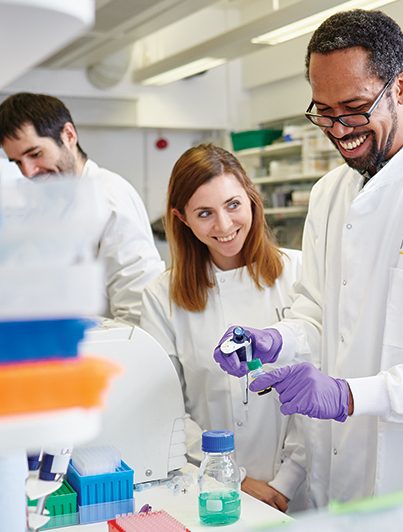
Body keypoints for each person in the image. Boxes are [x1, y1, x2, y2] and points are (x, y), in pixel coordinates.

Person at [213, 10, 403, 510]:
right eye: (323, 110)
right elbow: (316, 315)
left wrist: (349, 396)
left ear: (400, 88)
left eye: (354, 107)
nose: (338, 128)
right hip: (333, 466)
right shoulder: (328, 193)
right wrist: (276, 339)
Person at [140, 144, 307, 512]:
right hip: (212, 488)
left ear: (251, 198)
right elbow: (166, 410)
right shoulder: (161, 297)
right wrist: (235, 478)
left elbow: (322, 383)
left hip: (300, 489)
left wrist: (287, 482)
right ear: (181, 218)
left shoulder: (299, 273)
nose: (224, 225)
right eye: (204, 213)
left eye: (233, 205)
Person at [0, 92, 163, 326]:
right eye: (18, 162)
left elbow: (138, 311)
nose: (29, 172)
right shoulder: (46, 199)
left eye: (35, 154)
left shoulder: (111, 198)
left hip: (107, 350)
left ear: (69, 136)